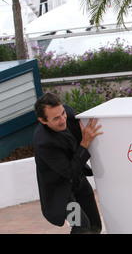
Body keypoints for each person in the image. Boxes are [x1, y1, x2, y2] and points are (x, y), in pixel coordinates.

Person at [33, 93, 103, 234]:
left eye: (62, 113)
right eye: (56, 118)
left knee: (95, 225)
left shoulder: (67, 113)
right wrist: (84, 144)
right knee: (81, 226)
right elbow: (69, 171)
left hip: (79, 182)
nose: (63, 119)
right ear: (42, 120)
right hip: (61, 192)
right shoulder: (44, 143)